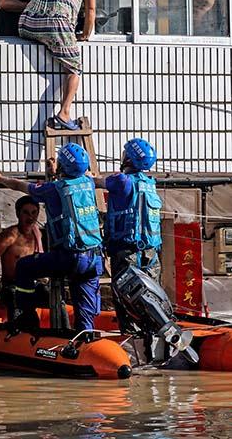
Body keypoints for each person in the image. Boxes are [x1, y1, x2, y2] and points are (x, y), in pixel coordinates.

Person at [0, 143, 103, 333]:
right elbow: (69, 182)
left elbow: (19, 185)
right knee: (84, 304)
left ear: (63, 165)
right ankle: (85, 337)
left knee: (23, 266)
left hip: (68, 257)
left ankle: (27, 319)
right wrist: (55, 171)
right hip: (93, 258)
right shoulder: (88, 183)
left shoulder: (51, 189)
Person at [18, 0, 96, 130]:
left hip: (26, 22)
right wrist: (84, 35)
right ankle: (65, 113)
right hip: (56, 23)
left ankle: (52, 42)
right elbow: (91, 9)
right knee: (74, 68)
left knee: (53, 42)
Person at [93, 138, 163, 332]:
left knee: (127, 298)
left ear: (129, 159)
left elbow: (96, 182)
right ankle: (154, 335)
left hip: (126, 252)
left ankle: (132, 341)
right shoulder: (150, 185)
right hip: (150, 254)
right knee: (151, 298)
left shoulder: (121, 180)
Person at [0, 196, 45, 320]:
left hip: (32, 285)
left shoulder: (38, 233)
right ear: (18, 213)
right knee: (17, 300)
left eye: (34, 213)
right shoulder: (10, 236)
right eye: (26, 213)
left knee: (56, 299)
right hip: (12, 287)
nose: (30, 217)